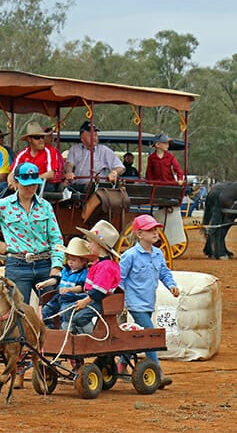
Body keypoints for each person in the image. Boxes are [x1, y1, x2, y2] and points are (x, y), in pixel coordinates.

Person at [0, 161, 64, 388]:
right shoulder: (4, 205)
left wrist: (56, 267)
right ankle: (19, 369)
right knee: (15, 316)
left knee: (54, 312)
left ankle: (50, 361)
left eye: (34, 183)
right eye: (26, 184)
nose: (30, 188)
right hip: (17, 264)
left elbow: (56, 239)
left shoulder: (45, 207)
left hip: (44, 264)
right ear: (16, 182)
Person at [118, 214, 180, 387]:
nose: (155, 232)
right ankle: (157, 372)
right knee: (150, 335)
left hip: (147, 303)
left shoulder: (158, 254)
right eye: (150, 230)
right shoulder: (129, 256)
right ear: (139, 234)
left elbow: (164, 273)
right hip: (134, 303)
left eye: (155, 229)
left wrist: (172, 285)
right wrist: (121, 302)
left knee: (137, 336)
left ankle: (121, 365)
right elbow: (120, 280)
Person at [70, 219, 122, 335]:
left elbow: (99, 291)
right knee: (71, 313)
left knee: (80, 318)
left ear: (99, 244)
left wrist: (85, 301)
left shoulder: (106, 267)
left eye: (90, 242)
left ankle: (95, 338)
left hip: (100, 300)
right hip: (94, 298)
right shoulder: (100, 263)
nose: (88, 245)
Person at [37, 238, 92, 330]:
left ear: (84, 261)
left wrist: (69, 289)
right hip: (59, 297)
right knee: (46, 310)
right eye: (68, 259)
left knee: (65, 312)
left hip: (72, 299)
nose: (70, 262)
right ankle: (48, 329)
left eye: (73, 260)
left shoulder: (84, 273)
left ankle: (67, 331)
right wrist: (45, 283)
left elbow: (81, 287)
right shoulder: (65, 270)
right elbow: (56, 279)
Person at [63, 121, 125, 191]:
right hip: (76, 186)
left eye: (95, 135)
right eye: (90, 135)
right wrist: (69, 173)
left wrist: (114, 173)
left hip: (96, 188)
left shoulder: (104, 151)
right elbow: (69, 164)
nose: (94, 138)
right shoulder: (75, 149)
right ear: (82, 138)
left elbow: (120, 167)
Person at [8, 121, 63, 193]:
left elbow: (51, 174)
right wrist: (10, 182)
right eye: (37, 137)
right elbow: (12, 173)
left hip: (44, 183)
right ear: (29, 139)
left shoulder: (49, 151)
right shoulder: (22, 154)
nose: (41, 140)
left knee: (30, 188)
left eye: (42, 137)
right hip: (23, 183)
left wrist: (30, 180)